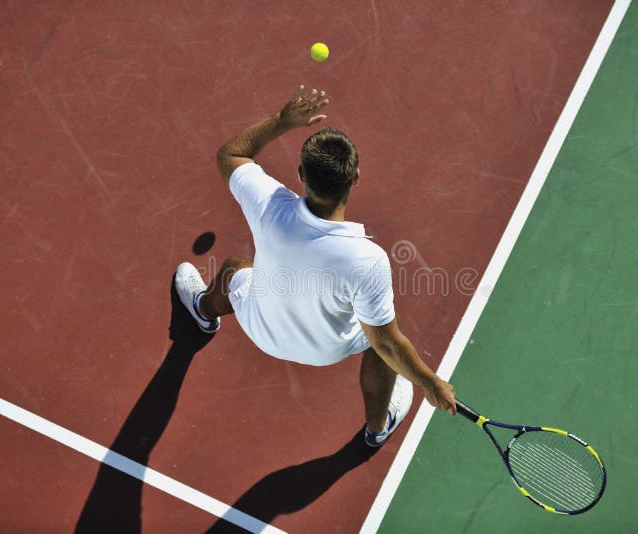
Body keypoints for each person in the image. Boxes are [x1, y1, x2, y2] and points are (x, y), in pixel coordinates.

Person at [175, 86, 456, 447]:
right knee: (382, 345)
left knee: (232, 269)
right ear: (355, 179)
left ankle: (201, 311)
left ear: (300, 174)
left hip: (261, 328)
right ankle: (376, 427)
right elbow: (387, 343)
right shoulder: (368, 260)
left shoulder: (271, 205)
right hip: (328, 350)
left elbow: (230, 153)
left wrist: (282, 121)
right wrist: (430, 383)